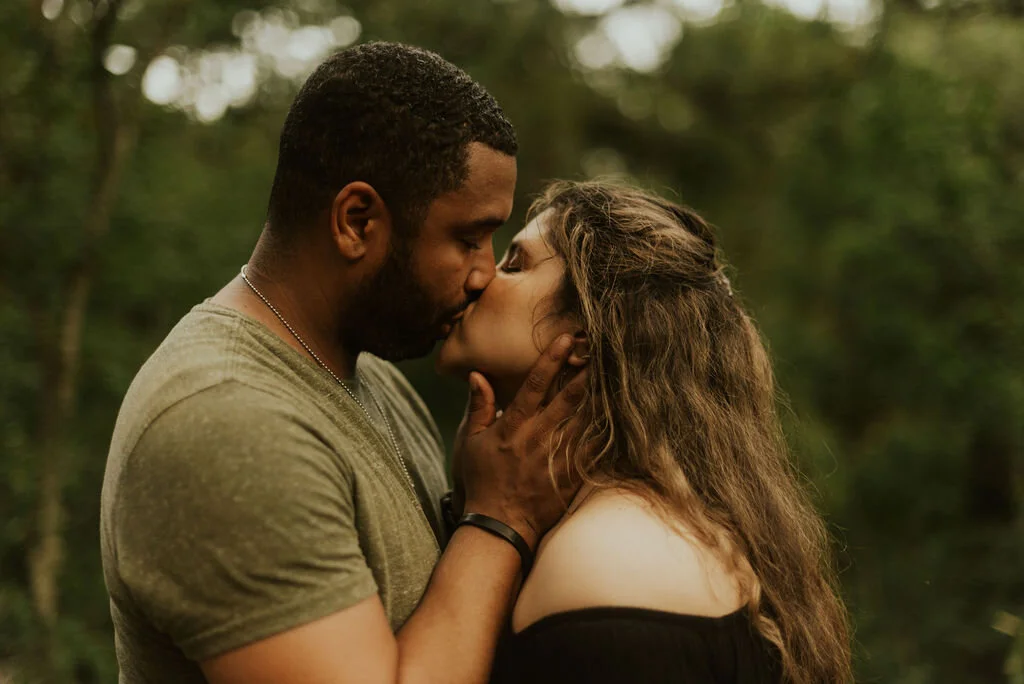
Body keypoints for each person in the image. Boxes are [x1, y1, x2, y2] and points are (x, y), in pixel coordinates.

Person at [100, 43, 585, 684]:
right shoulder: (225, 421)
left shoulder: (372, 376)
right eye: (467, 238)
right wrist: (500, 518)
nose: (483, 274)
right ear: (356, 221)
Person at [436, 180, 854, 684]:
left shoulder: (605, 565)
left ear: (584, 338)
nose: (481, 278)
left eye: (515, 264)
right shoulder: (649, 531)